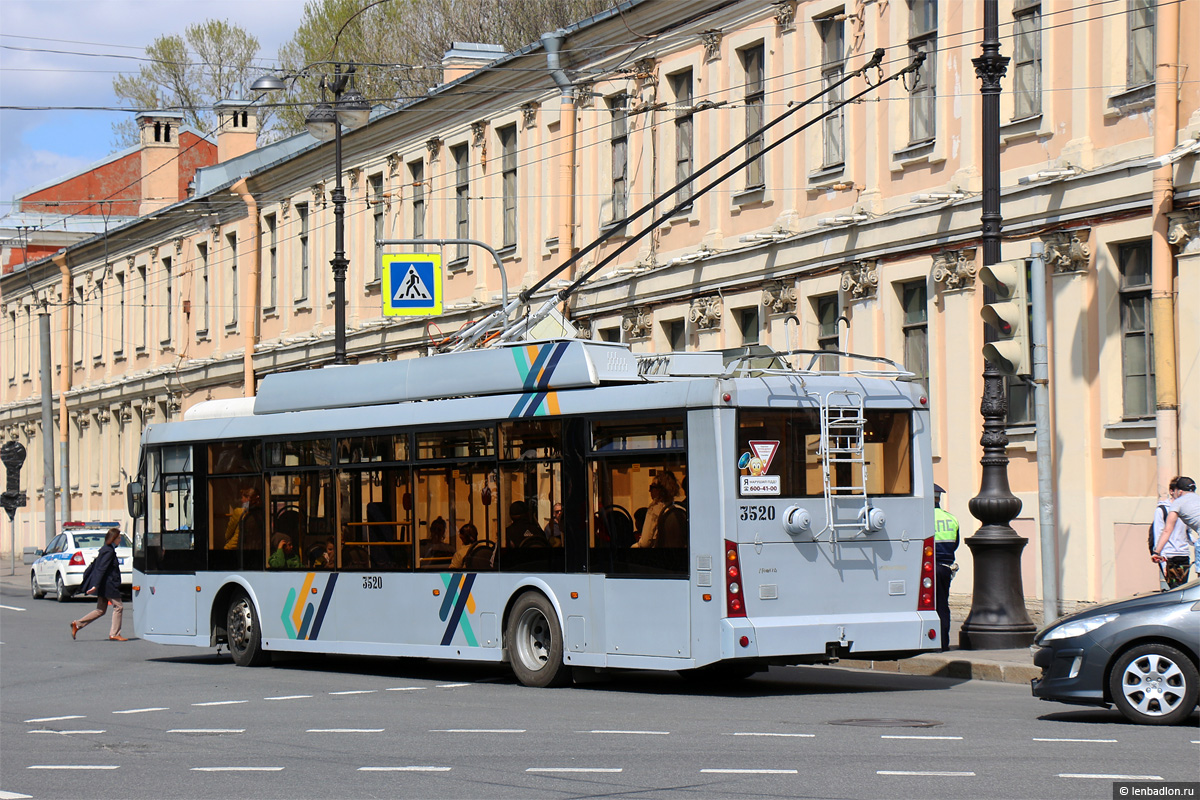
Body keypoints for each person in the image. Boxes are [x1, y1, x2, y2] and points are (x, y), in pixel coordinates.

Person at [70, 528, 127, 642]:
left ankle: (77, 624)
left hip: (104, 584)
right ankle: (115, 633)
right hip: (108, 585)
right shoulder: (108, 551)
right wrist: (95, 585)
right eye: (119, 538)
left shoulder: (106, 550)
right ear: (113, 539)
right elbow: (101, 568)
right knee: (119, 606)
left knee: (100, 610)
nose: (120, 540)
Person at [1153, 476, 1199, 588]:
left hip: (1176, 555)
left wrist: (1157, 552)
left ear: (1180, 491)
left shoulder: (1178, 503)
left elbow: (1167, 530)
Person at [932, 483, 960, 651]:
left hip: (927, 569)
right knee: (943, 605)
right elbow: (954, 544)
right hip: (945, 567)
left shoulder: (923, 516)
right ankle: (943, 643)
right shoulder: (951, 518)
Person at [632, 470, 680, 548]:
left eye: (651, 487)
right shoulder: (676, 509)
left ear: (659, 490)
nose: (649, 490)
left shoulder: (654, 509)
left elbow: (645, 543)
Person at [223, 485, 262, 551]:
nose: (241, 500)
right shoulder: (260, 512)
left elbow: (229, 533)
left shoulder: (239, 512)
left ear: (248, 499)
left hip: (235, 546)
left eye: (242, 497)